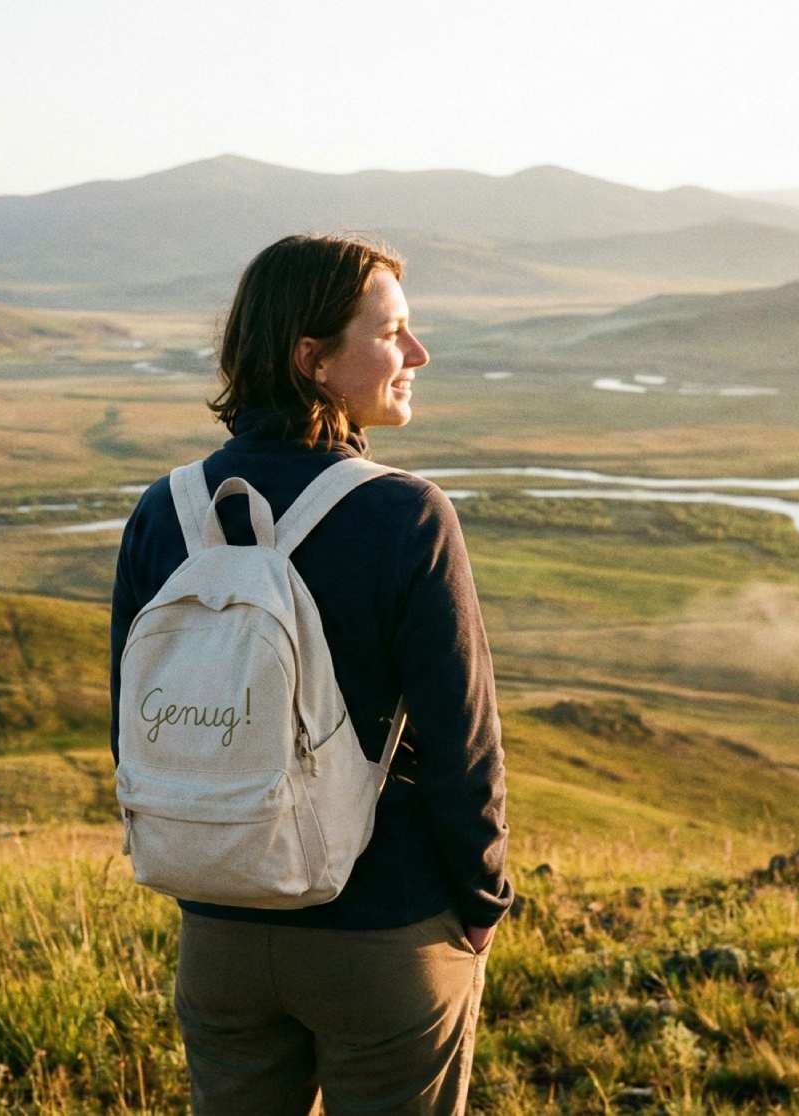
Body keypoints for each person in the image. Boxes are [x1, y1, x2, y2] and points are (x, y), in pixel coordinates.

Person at [110, 233, 512, 1115]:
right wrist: (483, 898)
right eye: (391, 333)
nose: (417, 353)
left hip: (219, 932)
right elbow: (463, 740)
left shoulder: (165, 510)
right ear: (312, 360)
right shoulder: (406, 513)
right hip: (385, 931)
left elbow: (133, 724)